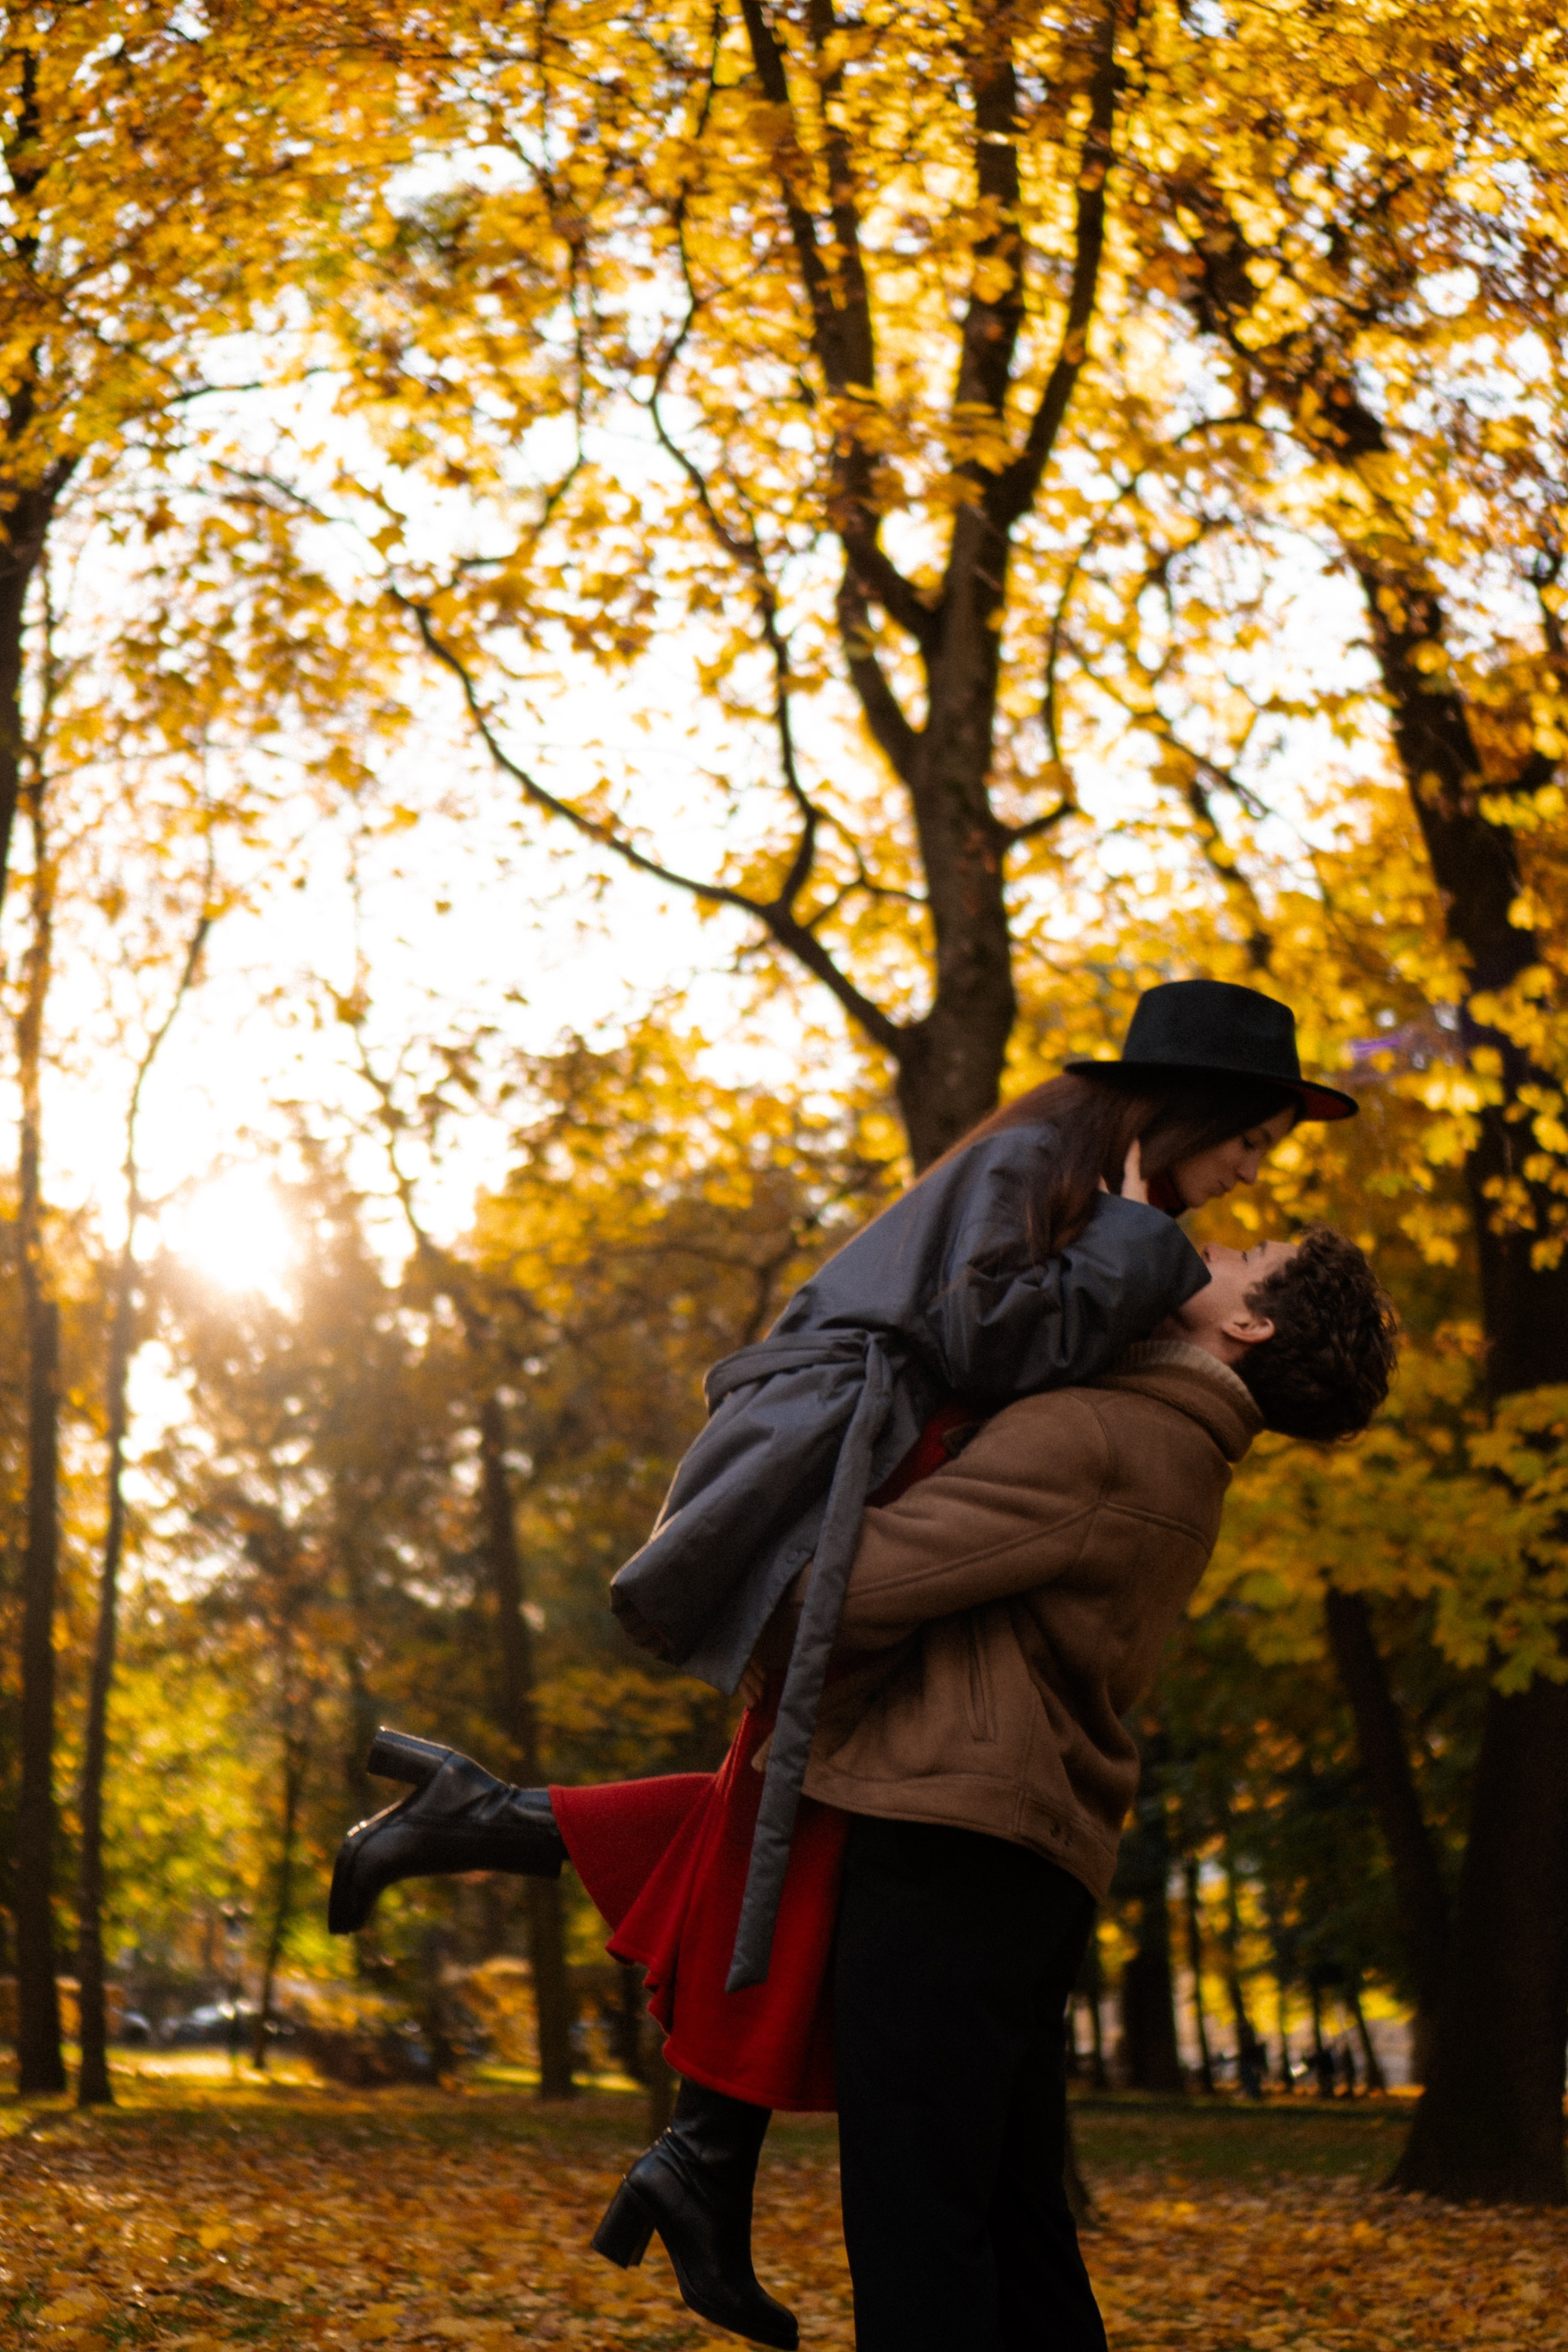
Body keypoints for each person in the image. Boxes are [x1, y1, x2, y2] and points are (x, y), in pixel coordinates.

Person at [328, 979, 1359, 2348]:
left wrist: (793, 1641)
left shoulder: (1112, 1417)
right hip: (982, 1790)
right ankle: (690, 2135)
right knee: (1000, 2215)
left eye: (1251, 1239)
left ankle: (680, 2119)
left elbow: (851, 1589)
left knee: (930, 2213)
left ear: (1250, 1328)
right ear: (1188, 1106)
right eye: (1253, 1144)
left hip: (958, 1837)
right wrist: (1126, 1239)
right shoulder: (1066, 1231)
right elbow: (985, 1336)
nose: (1238, 1202)